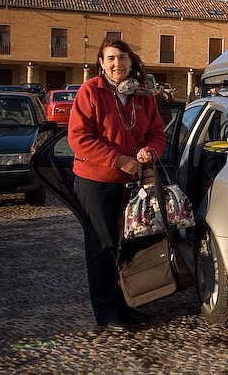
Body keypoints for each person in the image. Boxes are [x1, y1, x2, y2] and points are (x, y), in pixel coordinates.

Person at [68, 37, 166, 331]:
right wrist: (118, 159)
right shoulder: (90, 92)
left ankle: (128, 303)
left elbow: (157, 133)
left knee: (129, 244)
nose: (116, 64)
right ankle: (108, 312)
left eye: (122, 58)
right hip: (96, 182)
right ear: (101, 63)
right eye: (110, 58)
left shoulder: (143, 95)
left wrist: (150, 151)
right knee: (103, 247)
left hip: (132, 184)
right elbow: (79, 139)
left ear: (131, 61)